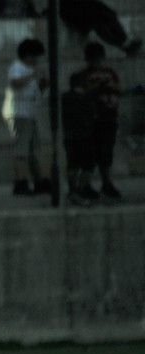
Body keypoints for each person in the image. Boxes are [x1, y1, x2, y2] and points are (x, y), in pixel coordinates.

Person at [72, 41, 123, 200]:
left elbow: (119, 89)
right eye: (94, 59)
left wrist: (108, 84)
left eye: (99, 58)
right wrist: (95, 86)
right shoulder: (81, 75)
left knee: (106, 153)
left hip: (109, 117)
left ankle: (106, 184)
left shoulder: (109, 73)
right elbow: (79, 93)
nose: (97, 62)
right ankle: (83, 186)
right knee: (90, 154)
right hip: (91, 119)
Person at [3, 38, 50, 196]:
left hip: (31, 113)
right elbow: (15, 83)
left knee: (34, 150)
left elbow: (38, 91)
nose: (36, 60)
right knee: (22, 151)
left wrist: (43, 83)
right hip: (20, 114)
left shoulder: (31, 70)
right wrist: (33, 75)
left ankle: (39, 181)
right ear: (27, 55)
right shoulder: (18, 67)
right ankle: (21, 182)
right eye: (34, 56)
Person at [61, 71, 98, 205]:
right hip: (84, 135)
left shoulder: (65, 98)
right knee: (88, 164)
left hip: (70, 135)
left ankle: (73, 191)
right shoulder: (87, 98)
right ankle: (80, 190)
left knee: (73, 164)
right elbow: (92, 116)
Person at [57, 0, 142, 57]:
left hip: (82, 9)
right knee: (100, 20)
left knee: (104, 18)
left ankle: (124, 44)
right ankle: (124, 44)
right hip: (73, 11)